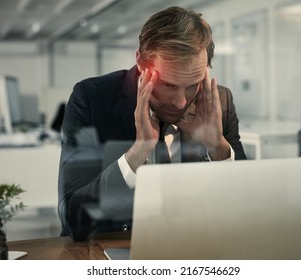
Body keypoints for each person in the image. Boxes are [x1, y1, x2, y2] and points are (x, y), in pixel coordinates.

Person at [58, 6, 247, 241]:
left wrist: (216, 146)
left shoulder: (219, 101)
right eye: (167, 84)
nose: (180, 102)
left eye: (192, 84)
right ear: (140, 62)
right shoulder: (92, 99)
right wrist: (137, 153)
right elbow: (72, 220)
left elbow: (246, 210)